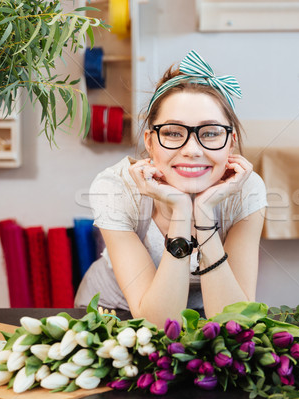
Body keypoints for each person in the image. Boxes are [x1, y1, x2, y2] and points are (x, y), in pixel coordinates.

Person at [75, 51, 267, 327]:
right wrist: (180, 212)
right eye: (173, 133)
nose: (192, 150)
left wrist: (202, 213)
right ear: (150, 142)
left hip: (205, 315)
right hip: (112, 312)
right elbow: (157, 322)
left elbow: (234, 320)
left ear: (231, 142)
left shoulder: (247, 189)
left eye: (210, 132)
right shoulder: (115, 188)